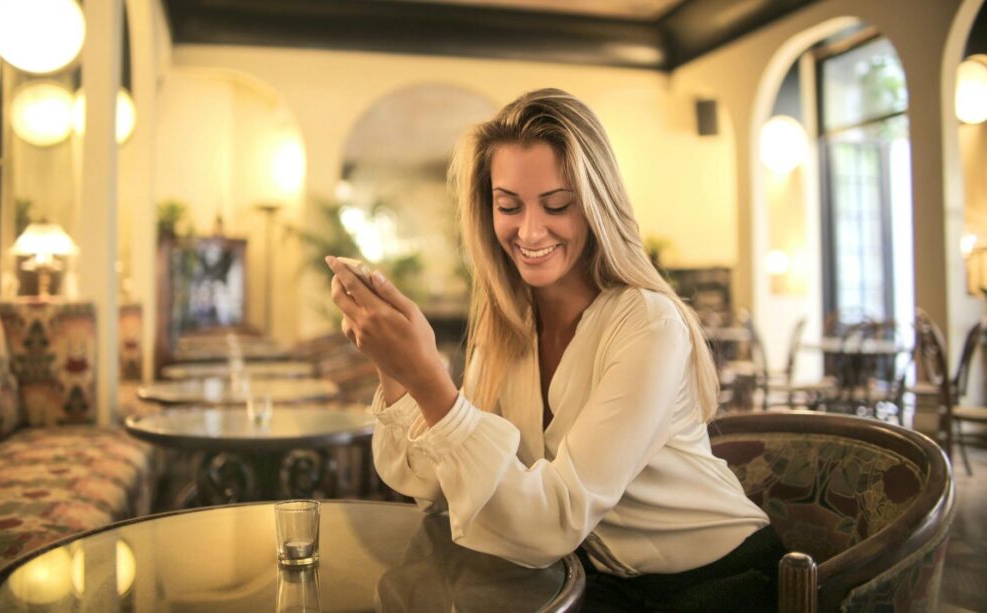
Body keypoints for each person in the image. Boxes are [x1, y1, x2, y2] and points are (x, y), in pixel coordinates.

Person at [327, 88, 785, 612]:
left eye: (557, 205)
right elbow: (434, 487)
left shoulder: (648, 325)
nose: (529, 230)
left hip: (717, 584)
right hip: (594, 577)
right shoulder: (509, 328)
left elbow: (553, 521)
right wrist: (395, 368)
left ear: (596, 207)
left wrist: (430, 376)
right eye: (508, 205)